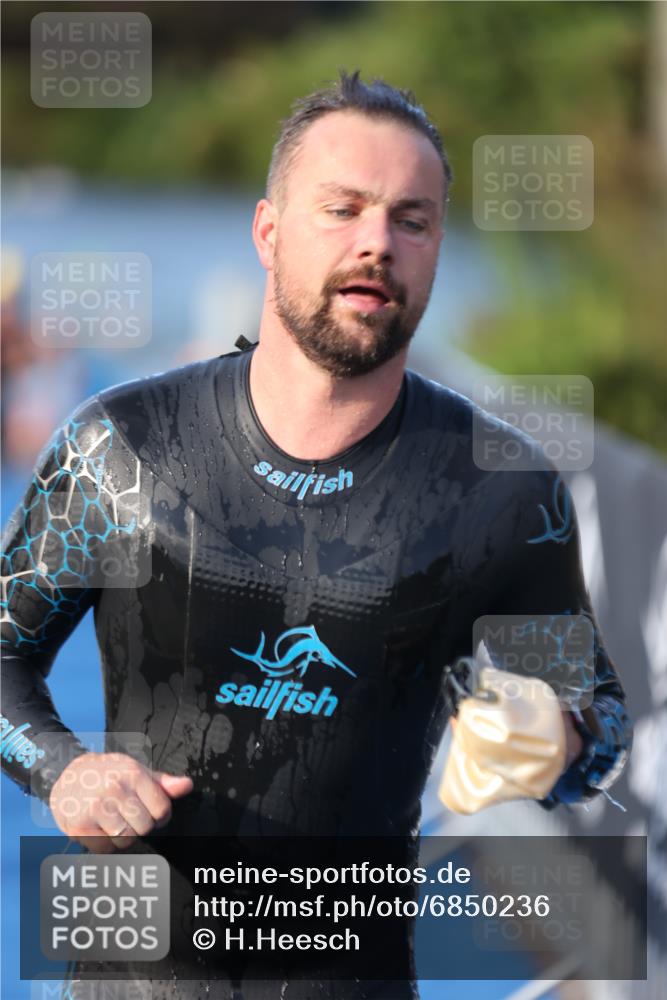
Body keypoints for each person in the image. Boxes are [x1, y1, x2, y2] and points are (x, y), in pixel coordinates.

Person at [1, 71, 632, 1000]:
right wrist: (63, 772)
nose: (377, 242)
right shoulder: (124, 449)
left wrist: (557, 739)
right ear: (267, 230)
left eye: (410, 220)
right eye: (342, 209)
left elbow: (603, 726)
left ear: (435, 249)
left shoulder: (497, 492)